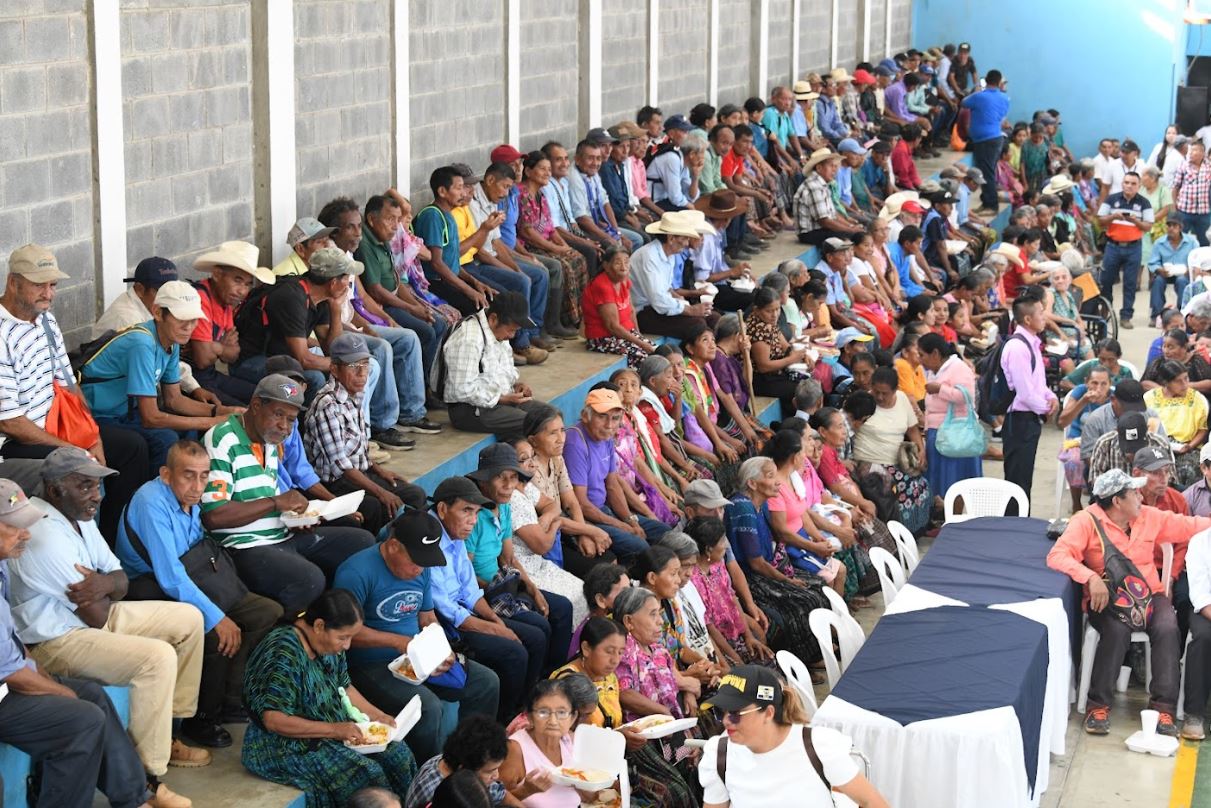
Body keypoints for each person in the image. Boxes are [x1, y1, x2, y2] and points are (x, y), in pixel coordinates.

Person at [6, 448, 210, 779]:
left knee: (189, 619)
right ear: (56, 490)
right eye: (85, 485)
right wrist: (109, 585)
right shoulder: (43, 534)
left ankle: (171, 730)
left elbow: (119, 577)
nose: (97, 496)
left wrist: (104, 582)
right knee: (156, 657)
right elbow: (98, 615)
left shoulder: (79, 516)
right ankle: (146, 772)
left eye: (97, 485)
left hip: (85, 620)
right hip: (55, 641)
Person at [117, 439, 283, 749]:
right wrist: (216, 617)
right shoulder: (151, 502)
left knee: (266, 612)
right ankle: (200, 720)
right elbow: (170, 577)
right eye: (188, 475)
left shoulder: (190, 499)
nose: (197, 486)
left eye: (204, 476)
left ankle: (229, 701)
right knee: (214, 633)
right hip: (148, 586)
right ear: (166, 474)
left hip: (191, 573)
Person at [0, 243, 150, 541]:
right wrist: (75, 449)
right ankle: (85, 549)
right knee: (83, 468)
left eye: (52, 285)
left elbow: (70, 385)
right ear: (13, 283)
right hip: (16, 442)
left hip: (56, 425)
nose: (48, 294)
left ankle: (114, 541)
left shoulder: (45, 319)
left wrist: (92, 436)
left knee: (133, 447)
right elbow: (10, 422)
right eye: (39, 285)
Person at [1048, 469, 1211, 736]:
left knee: (1168, 627)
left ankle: (1164, 709)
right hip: (1109, 598)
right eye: (1134, 493)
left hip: (1150, 594)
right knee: (1116, 631)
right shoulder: (1086, 521)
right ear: (1117, 501)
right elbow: (1057, 555)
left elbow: (1190, 525)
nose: (1140, 497)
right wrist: (1090, 577)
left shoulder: (1148, 516)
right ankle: (1098, 705)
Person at [335, 508, 501, 763]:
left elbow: (427, 617)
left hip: (414, 657)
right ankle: (429, 772)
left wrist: (441, 650)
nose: (419, 569)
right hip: (370, 664)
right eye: (415, 561)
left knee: (486, 682)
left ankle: (473, 761)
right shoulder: (356, 573)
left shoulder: (422, 569)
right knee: (427, 708)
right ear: (393, 546)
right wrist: (397, 642)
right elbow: (342, 633)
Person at [201, 374, 376, 613]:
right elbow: (214, 516)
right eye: (278, 414)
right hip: (241, 546)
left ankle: (337, 620)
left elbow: (268, 500)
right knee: (309, 579)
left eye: (291, 419)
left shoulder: (269, 440)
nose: (284, 426)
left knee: (361, 542)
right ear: (256, 406)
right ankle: (289, 630)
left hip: (281, 534)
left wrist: (295, 518)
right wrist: (276, 502)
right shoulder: (222, 439)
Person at [241, 589, 418, 808]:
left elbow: (344, 686)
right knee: (364, 774)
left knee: (398, 755)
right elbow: (274, 720)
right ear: (319, 626)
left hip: (333, 727)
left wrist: (377, 715)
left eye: (350, 637)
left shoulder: (330, 645)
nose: (347, 645)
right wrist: (335, 730)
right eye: (343, 637)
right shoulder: (283, 649)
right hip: (283, 744)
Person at [427, 475, 558, 719]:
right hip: (447, 625)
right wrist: (497, 630)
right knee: (515, 652)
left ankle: (524, 707)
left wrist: (496, 622)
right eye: (466, 511)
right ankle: (504, 719)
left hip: (467, 611)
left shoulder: (454, 534)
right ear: (443, 509)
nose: (473, 521)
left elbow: (470, 591)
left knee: (536, 636)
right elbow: (449, 611)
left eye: (476, 513)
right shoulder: (429, 540)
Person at [80, 281, 237, 468]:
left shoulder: (172, 341)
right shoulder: (141, 343)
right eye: (181, 318)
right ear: (158, 313)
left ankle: (187, 483)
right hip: (98, 415)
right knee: (165, 439)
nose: (189, 327)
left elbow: (174, 399)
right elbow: (151, 417)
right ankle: (160, 486)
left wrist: (220, 411)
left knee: (188, 433)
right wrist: (212, 421)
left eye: (194, 319)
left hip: (124, 412)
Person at [551, 617, 697, 807]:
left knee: (684, 773)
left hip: (622, 748)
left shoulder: (610, 677)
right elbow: (568, 741)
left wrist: (622, 736)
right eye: (609, 651)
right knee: (667, 794)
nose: (615, 660)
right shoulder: (567, 683)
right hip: (592, 763)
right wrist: (618, 737)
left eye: (620, 652)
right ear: (586, 648)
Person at [699, 666, 890, 807]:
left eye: (735, 713)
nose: (726, 721)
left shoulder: (818, 746)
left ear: (768, 713)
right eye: (719, 712)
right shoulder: (719, 754)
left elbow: (872, 802)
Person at [304, 333, 425, 533]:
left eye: (365, 365)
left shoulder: (355, 395)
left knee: (415, 494)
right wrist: (381, 492)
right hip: (335, 482)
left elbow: (358, 450)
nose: (362, 373)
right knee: (379, 505)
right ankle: (382, 545)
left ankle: (404, 543)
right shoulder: (327, 405)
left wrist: (380, 471)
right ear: (334, 369)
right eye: (353, 366)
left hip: (358, 473)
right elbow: (341, 466)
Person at [725, 457, 827, 667]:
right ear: (752, 483)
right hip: (751, 578)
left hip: (766, 568)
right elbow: (756, 563)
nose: (778, 481)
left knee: (819, 585)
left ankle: (820, 648)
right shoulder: (743, 508)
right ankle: (805, 659)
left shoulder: (759, 504)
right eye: (770, 476)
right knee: (807, 599)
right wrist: (787, 581)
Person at [93, 257, 213, 408]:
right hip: (113, 404)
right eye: (159, 290)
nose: (166, 296)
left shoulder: (164, 317)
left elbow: (168, 367)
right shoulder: (128, 320)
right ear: (140, 289)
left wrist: (194, 388)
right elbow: (152, 409)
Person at [564, 388, 667, 559]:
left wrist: (629, 520)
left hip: (605, 510)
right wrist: (621, 525)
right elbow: (581, 503)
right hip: (587, 517)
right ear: (585, 416)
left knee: (663, 532)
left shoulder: (606, 437)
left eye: (615, 418)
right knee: (640, 547)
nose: (609, 425)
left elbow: (612, 486)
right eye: (602, 416)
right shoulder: (575, 443)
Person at [506, 436, 594, 627]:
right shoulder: (513, 498)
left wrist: (546, 518)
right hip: (526, 571)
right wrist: (557, 523)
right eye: (524, 459)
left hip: (539, 564)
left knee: (583, 590)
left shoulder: (525, 486)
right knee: (571, 601)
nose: (532, 463)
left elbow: (552, 505)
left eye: (533, 456)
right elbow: (542, 546)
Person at [439, 290, 548, 435]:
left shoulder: (499, 333)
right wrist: (502, 399)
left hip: (499, 400)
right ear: (493, 319)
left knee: (550, 415)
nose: (512, 335)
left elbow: (502, 369)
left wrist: (514, 386)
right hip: (470, 410)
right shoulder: (469, 339)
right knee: (537, 424)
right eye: (511, 330)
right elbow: (461, 390)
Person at [190, 240, 277, 406]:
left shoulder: (226, 303)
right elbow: (202, 359)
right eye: (237, 280)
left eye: (248, 284)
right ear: (217, 274)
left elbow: (233, 355)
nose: (242, 291)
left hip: (211, 376)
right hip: (191, 381)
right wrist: (222, 347)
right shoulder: (200, 298)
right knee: (247, 412)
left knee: (267, 398)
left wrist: (215, 347)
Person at [500, 680, 605, 807]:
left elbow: (592, 797)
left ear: (572, 718)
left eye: (562, 713)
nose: (553, 721)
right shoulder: (515, 749)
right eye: (543, 712)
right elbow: (493, 802)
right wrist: (526, 791)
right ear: (530, 717)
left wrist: (580, 783)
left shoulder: (570, 743)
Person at [852, 367, 932, 532]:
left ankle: (912, 531)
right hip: (871, 462)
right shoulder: (863, 402)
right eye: (876, 392)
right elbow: (845, 427)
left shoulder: (902, 399)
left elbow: (912, 429)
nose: (880, 397)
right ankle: (896, 533)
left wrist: (921, 450)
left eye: (885, 393)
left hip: (898, 462)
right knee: (900, 485)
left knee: (921, 483)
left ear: (895, 390)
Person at [1001, 297, 1059, 509]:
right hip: (1018, 420)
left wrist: (1051, 397)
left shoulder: (1032, 343)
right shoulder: (1017, 347)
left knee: (1024, 477)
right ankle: (1014, 522)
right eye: (1040, 313)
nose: (1044, 317)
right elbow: (1025, 393)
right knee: (1017, 479)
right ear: (1027, 319)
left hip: (1030, 417)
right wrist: (1046, 409)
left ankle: (1020, 520)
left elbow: (1038, 383)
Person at [630, 212, 715, 339]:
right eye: (685, 238)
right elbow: (658, 300)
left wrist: (682, 300)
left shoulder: (670, 255)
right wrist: (691, 310)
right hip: (643, 311)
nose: (686, 243)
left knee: (713, 317)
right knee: (697, 325)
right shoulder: (649, 256)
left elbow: (666, 288)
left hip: (658, 307)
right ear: (671, 239)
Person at [919, 332, 981, 498]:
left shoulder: (959, 368)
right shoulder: (933, 371)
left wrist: (940, 389)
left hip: (956, 434)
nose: (920, 359)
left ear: (935, 354)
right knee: (938, 481)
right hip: (935, 432)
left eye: (922, 355)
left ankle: (954, 512)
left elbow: (966, 396)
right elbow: (929, 406)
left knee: (956, 481)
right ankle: (943, 511)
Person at [404, 714, 511, 808]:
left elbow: (499, 793)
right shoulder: (434, 796)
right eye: (490, 771)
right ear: (463, 770)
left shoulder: (460, 761)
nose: (496, 776)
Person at [582, 244, 655, 367]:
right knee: (644, 359)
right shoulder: (602, 286)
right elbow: (612, 326)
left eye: (626, 262)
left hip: (625, 333)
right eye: (617, 263)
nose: (623, 267)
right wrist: (641, 344)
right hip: (603, 338)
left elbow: (631, 310)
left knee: (657, 351)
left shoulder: (624, 280)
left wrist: (639, 336)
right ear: (606, 266)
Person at [1097, 171, 1154, 328]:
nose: (1129, 186)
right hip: (1112, 246)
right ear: (1122, 183)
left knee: (1130, 283)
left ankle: (1126, 316)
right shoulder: (1111, 199)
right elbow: (1100, 221)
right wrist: (1113, 217)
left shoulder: (1144, 203)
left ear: (1139, 186)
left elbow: (1148, 226)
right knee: (1106, 280)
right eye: (1126, 182)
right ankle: (1105, 310)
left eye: (1133, 183)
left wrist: (1136, 221)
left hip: (1133, 247)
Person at [1143, 359, 1209, 486]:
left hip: (1188, 448)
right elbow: (1147, 428)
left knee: (1188, 469)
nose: (1185, 384)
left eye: (1186, 378)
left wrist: (1189, 446)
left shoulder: (1197, 398)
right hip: (1156, 446)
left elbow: (1202, 430)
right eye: (1178, 381)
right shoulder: (1149, 398)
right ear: (1166, 382)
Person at [961, 70, 1009, 213]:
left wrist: (977, 89)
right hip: (996, 137)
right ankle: (986, 201)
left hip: (985, 140)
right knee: (988, 171)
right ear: (999, 82)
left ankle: (991, 205)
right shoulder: (1005, 98)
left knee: (986, 173)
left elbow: (963, 102)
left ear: (986, 80)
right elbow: (1002, 115)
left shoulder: (979, 96)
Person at [794, 149, 864, 245]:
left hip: (820, 229)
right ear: (819, 168)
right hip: (810, 233)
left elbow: (833, 214)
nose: (834, 170)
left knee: (859, 234)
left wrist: (850, 226)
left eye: (835, 166)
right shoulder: (814, 186)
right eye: (831, 166)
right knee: (853, 238)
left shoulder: (823, 184)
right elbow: (824, 221)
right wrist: (850, 230)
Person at [1149, 218, 1197, 321]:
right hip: (1165, 273)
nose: (1171, 228)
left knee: (1181, 281)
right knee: (1157, 281)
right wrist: (1160, 270)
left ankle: (1182, 312)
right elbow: (1153, 262)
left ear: (1180, 228)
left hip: (1184, 274)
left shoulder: (1191, 242)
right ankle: (1156, 314)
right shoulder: (1159, 242)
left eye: (1174, 226)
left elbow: (1196, 260)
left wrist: (1189, 270)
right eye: (1169, 226)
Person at [1173, 141, 1211, 247]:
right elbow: (1175, 187)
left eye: (1194, 150)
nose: (1191, 153)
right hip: (1185, 211)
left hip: (1204, 212)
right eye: (1190, 150)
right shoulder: (1183, 166)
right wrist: (1174, 205)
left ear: (1202, 153)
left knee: (1204, 241)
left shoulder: (1209, 167)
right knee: (1180, 240)